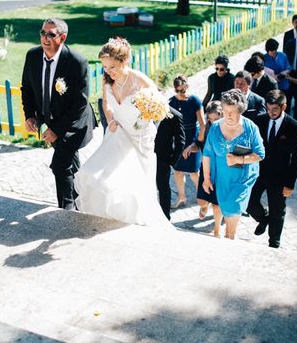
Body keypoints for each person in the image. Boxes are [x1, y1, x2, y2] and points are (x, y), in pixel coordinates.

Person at [76, 37, 172, 228]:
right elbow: (106, 104)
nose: (108, 71)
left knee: (137, 181)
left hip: (140, 137)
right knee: (99, 174)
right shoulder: (107, 83)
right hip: (117, 132)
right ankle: (115, 214)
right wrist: (110, 120)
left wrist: (147, 114)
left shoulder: (139, 80)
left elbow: (158, 104)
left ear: (124, 61)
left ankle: (136, 219)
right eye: (105, 67)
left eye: (112, 67)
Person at [21, 18, 96, 211]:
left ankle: (67, 209)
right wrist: (30, 115)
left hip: (74, 123)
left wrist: (56, 130)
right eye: (42, 33)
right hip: (50, 119)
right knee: (71, 164)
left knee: (60, 165)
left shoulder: (76, 62)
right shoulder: (32, 56)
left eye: (50, 34)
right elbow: (27, 88)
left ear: (62, 37)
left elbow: (80, 103)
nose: (44, 38)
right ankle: (84, 202)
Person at [202, 89, 264, 239]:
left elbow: (260, 154)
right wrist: (206, 178)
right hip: (222, 177)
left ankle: (231, 239)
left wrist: (238, 159)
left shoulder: (251, 128)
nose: (228, 115)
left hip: (243, 177)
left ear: (241, 111)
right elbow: (207, 154)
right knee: (226, 207)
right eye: (225, 111)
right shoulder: (215, 127)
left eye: (233, 112)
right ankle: (230, 238)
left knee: (232, 208)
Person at [247, 90, 297, 248]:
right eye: (268, 108)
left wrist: (290, 184)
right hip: (258, 173)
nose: (271, 113)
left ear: (284, 106)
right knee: (249, 203)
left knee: (277, 211)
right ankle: (264, 219)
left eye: (275, 109)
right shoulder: (259, 121)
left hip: (280, 177)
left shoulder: (294, 127)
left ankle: (274, 243)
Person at [182, 101, 223, 229]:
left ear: (222, 115)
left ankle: (217, 229)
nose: (213, 122)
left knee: (218, 202)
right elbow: (198, 144)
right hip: (206, 166)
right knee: (201, 201)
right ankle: (205, 206)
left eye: (215, 119)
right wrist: (191, 147)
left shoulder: (227, 127)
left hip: (221, 168)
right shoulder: (205, 127)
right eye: (210, 119)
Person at [169, 75, 205, 208]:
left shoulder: (194, 100)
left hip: (192, 138)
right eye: (178, 91)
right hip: (179, 139)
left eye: (183, 91)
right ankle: (182, 196)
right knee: (178, 170)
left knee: (194, 172)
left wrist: (197, 144)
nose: (181, 94)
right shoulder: (171, 102)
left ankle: (202, 196)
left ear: (187, 87)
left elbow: (203, 125)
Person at [154, 104, 185, 220]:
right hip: (145, 154)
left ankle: (165, 216)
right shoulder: (144, 108)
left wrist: (172, 161)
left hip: (163, 157)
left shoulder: (175, 116)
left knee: (163, 187)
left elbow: (180, 141)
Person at [263, 39, 292, 111]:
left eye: (275, 50)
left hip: (283, 85)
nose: (274, 52)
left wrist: (284, 72)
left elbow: (289, 68)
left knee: (285, 106)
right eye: (271, 51)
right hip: (271, 87)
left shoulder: (282, 55)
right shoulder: (264, 58)